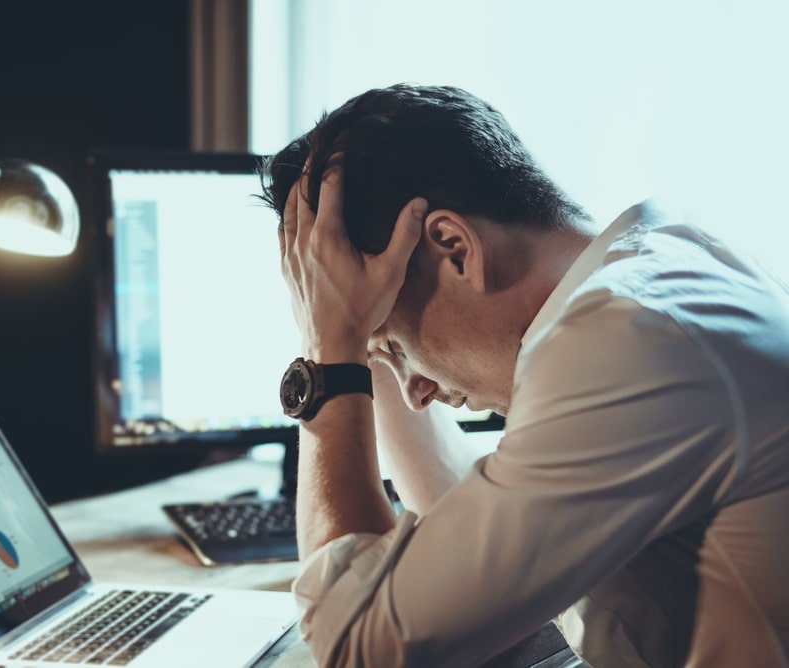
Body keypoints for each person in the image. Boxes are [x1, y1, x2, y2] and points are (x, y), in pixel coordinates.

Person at [260, 84, 789, 667]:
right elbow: (475, 532)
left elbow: (358, 644)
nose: (417, 393)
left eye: (398, 346)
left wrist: (327, 350)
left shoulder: (626, 346)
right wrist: (356, 332)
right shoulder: (663, 263)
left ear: (454, 247)